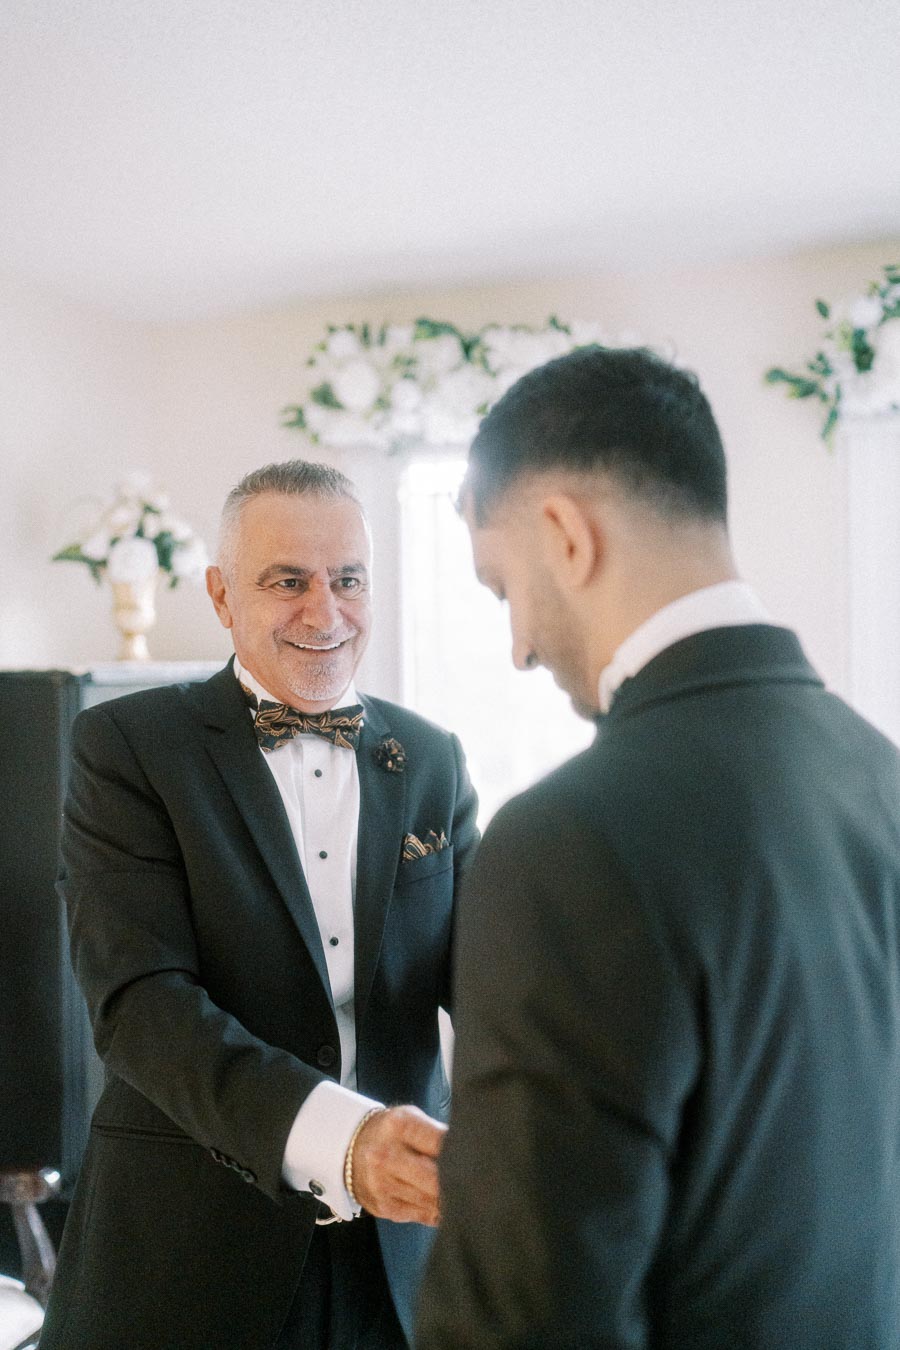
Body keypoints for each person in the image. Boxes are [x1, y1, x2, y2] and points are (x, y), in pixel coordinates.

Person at [416, 346, 900, 1350]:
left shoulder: (566, 840)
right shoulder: (879, 772)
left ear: (564, 535)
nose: (516, 646)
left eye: (504, 588)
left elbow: (523, 1321)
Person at [40, 459, 478, 1350]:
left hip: (397, 1263)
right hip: (186, 1250)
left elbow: (492, 982)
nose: (325, 612)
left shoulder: (432, 757)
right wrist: (345, 1139)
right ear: (221, 594)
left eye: (347, 579)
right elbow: (139, 1006)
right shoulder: (125, 746)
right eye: (288, 581)